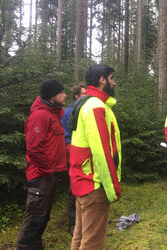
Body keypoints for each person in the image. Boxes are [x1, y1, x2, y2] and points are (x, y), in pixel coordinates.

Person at [69, 64, 122, 250]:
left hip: (82, 181)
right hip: (95, 184)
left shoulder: (84, 103)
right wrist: (112, 188)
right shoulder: (95, 106)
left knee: (80, 236)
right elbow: (102, 152)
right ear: (102, 80)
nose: (113, 83)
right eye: (112, 78)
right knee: (91, 242)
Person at [17, 80, 67, 249]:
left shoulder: (56, 113)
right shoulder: (39, 116)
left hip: (51, 174)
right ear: (53, 96)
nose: (65, 95)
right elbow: (34, 149)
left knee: (43, 216)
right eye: (62, 92)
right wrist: (47, 170)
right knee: (35, 217)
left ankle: (36, 246)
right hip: (41, 176)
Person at [61, 83, 86, 236]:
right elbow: (65, 137)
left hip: (87, 157)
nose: (87, 96)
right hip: (74, 156)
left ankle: (85, 219)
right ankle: (73, 223)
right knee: (74, 189)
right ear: (76, 96)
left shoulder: (89, 111)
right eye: (84, 93)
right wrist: (72, 153)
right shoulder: (69, 112)